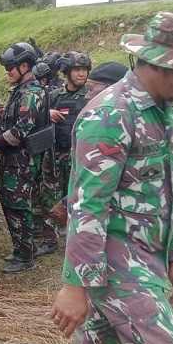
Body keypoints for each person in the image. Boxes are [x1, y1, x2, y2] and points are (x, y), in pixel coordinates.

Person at [51, 12, 173, 344]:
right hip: (118, 267)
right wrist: (75, 285)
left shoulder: (167, 112)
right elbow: (87, 207)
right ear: (157, 64)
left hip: (148, 259)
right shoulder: (110, 115)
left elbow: (172, 188)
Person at [0, 42, 47, 273]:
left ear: (25, 66)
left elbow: (20, 131)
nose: (7, 74)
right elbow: (5, 125)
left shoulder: (32, 94)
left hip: (23, 161)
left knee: (18, 206)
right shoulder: (18, 93)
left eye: (10, 69)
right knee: (10, 203)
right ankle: (22, 249)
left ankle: (25, 255)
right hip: (13, 160)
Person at [48, 61, 129, 227]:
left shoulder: (110, 124)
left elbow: (99, 177)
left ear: (111, 89)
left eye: (91, 89)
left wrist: (67, 204)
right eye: (76, 69)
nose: (87, 95)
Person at [35, 51, 92, 257]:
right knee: (48, 197)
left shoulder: (91, 96)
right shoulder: (54, 96)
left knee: (78, 198)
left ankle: (77, 240)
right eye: (77, 69)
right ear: (66, 72)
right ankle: (49, 239)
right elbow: (34, 112)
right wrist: (46, 113)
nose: (81, 74)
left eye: (84, 70)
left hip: (78, 156)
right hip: (54, 155)